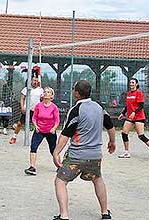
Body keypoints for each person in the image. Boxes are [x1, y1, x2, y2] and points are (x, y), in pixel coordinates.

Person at [52, 80, 116, 220]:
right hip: (95, 155)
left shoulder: (76, 110)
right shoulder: (99, 107)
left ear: (76, 93)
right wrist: (112, 141)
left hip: (77, 155)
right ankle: (105, 212)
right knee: (98, 179)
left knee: (60, 181)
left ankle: (64, 215)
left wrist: (56, 152)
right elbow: (110, 126)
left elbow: (66, 134)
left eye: (73, 88)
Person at [117, 78, 149, 161]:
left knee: (141, 136)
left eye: (133, 82)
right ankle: (126, 152)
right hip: (130, 117)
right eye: (130, 82)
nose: (131, 84)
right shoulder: (128, 94)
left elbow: (141, 106)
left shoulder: (139, 93)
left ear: (136, 84)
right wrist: (122, 113)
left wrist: (134, 112)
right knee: (124, 133)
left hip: (139, 117)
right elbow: (128, 106)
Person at [24, 87, 59, 175]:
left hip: (50, 131)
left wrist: (54, 128)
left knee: (53, 150)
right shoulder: (38, 106)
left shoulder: (54, 107)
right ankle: (32, 167)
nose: (46, 93)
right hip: (39, 130)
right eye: (45, 92)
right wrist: (35, 125)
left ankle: (59, 166)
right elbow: (34, 117)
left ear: (51, 96)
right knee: (33, 147)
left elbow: (57, 120)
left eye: (48, 92)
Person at [9, 76, 44, 144]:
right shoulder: (26, 89)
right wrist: (22, 107)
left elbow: (42, 100)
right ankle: (14, 137)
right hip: (27, 110)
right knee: (19, 124)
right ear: (30, 81)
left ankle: (37, 139)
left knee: (38, 125)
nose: (35, 82)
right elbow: (22, 98)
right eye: (34, 80)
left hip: (36, 110)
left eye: (36, 81)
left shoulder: (40, 90)